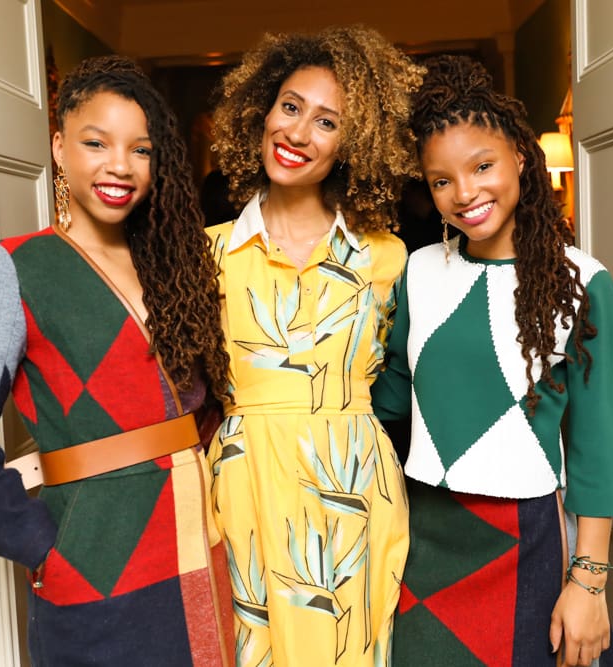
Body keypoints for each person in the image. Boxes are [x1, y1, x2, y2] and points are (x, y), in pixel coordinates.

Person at [0, 55, 234, 666]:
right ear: (59, 148)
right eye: (96, 143)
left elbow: (202, 409)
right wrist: (41, 546)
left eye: (140, 150)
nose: (120, 165)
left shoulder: (175, 266)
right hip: (93, 562)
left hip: (198, 546)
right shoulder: (15, 268)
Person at [371, 55, 613, 667]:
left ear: (520, 155)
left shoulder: (583, 282)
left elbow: (592, 447)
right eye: (441, 181)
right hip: (422, 535)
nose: (464, 194)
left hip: (526, 536)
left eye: (482, 166)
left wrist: (589, 583)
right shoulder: (418, 270)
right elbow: (386, 402)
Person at [204, 25, 424, 667]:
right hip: (244, 488)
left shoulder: (387, 258)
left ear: (353, 144)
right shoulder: (206, 253)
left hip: (352, 493)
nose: (298, 133)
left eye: (326, 122)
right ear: (261, 112)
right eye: (290, 107)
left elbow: (407, 383)